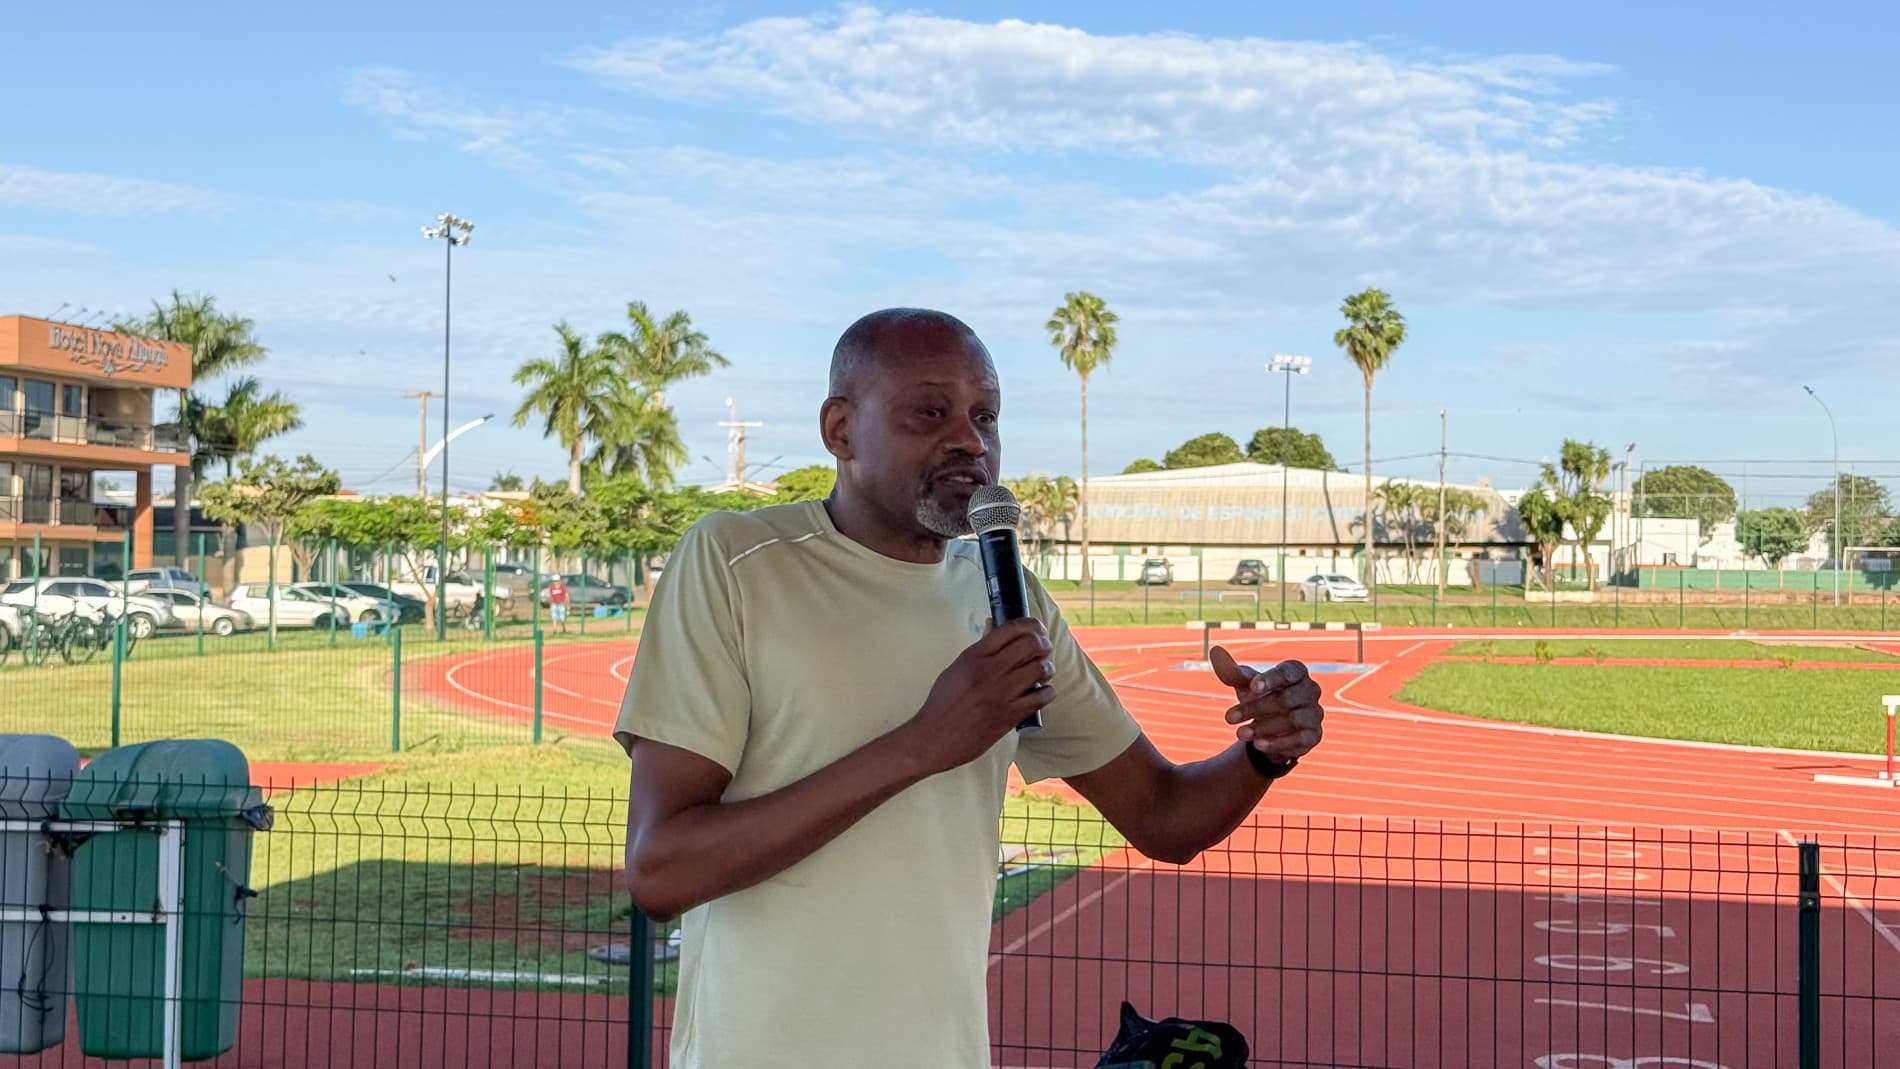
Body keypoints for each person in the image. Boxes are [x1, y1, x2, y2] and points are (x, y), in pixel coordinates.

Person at [615, 308, 1325, 1068]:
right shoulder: (737, 561)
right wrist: (925, 743)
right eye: (931, 411)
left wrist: (1262, 752)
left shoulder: (1006, 596)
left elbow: (1162, 814)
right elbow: (662, 869)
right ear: (841, 430)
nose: (971, 441)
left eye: (985, 416)